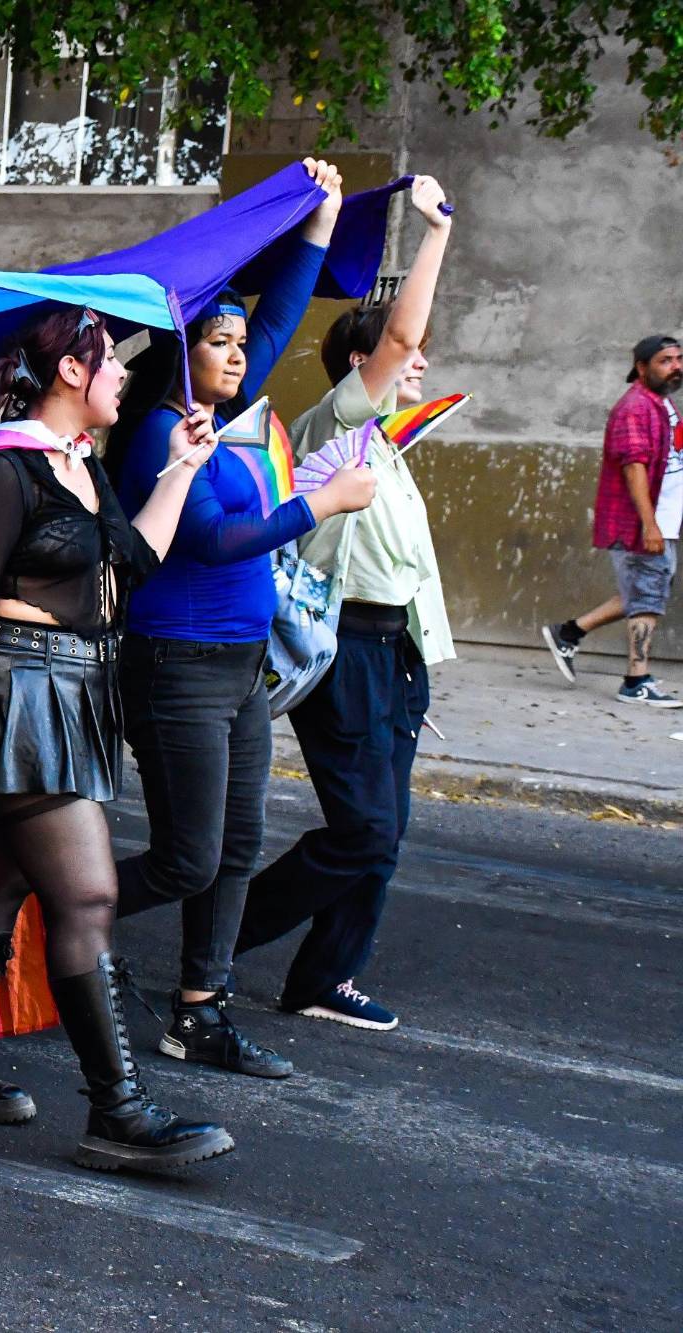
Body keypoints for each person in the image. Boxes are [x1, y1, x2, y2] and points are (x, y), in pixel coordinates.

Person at [0, 306, 233, 1171]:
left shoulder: (83, 468)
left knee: (3, 890)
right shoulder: (0, 472)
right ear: (72, 373)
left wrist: (183, 471)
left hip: (78, 690)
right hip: (21, 692)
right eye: (109, 362)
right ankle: (116, 1110)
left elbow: (133, 568)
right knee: (86, 897)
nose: (123, 374)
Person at [105, 159, 377, 1079]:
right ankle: (49, 922)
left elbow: (278, 317)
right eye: (216, 341)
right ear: (185, 353)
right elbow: (214, 541)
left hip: (238, 667)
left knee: (236, 848)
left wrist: (321, 220)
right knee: (188, 858)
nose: (236, 352)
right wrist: (322, 503)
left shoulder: (224, 414)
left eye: (236, 343)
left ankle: (200, 1008)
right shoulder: (158, 435)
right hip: (174, 663)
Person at [236, 176, 457, 1033]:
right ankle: (218, 937)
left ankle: (326, 976)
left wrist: (414, 670)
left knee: (384, 835)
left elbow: (402, 571)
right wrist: (434, 232)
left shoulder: (392, 454)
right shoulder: (340, 422)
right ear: (369, 363)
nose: (421, 360)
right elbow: (402, 335)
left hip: (391, 657)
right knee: (363, 830)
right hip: (345, 653)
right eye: (408, 354)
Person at [540, 334, 683, 706]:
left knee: (644, 590)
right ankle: (636, 681)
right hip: (642, 525)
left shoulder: (662, 405)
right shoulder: (635, 407)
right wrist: (649, 524)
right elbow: (634, 467)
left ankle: (568, 632)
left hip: (662, 521)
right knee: (648, 597)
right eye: (665, 361)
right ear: (641, 367)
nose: (676, 367)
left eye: (678, 359)